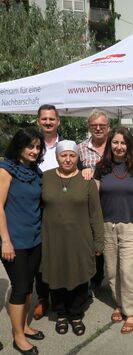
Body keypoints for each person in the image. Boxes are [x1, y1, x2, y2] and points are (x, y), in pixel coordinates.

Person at [41, 140, 104, 337]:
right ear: (57, 157)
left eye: (72, 155)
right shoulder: (45, 177)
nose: (68, 159)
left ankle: (76, 314)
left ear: (78, 157)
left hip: (80, 239)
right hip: (53, 238)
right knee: (56, 273)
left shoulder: (87, 180)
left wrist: (98, 240)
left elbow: (96, 214)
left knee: (79, 274)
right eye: (63, 155)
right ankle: (60, 313)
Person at [94, 127, 133, 334]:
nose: (119, 146)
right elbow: (93, 197)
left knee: (126, 270)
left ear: (129, 145)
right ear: (110, 145)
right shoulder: (101, 168)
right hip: (108, 225)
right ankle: (120, 304)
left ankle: (131, 312)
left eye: (123, 143)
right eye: (115, 142)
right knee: (112, 271)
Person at [0, 127, 45, 355]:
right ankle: (18, 337)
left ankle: (24, 326)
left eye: (38, 147)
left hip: (35, 239)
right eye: (30, 146)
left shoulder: (35, 171)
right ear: (19, 146)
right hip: (14, 241)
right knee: (19, 288)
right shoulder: (6, 170)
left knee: (28, 287)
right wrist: (5, 241)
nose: (35, 150)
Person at [34, 104, 62, 320]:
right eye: (44, 119)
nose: (48, 122)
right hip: (36, 207)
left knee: (60, 253)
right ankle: (43, 299)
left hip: (61, 208)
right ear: (38, 121)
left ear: (58, 121)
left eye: (51, 119)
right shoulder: (32, 145)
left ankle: (63, 294)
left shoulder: (67, 146)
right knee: (40, 255)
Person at [78, 109, 110, 292]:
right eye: (94, 125)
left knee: (111, 242)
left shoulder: (115, 145)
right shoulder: (80, 148)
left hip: (112, 202)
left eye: (102, 125)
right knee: (92, 241)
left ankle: (110, 277)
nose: (98, 128)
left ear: (108, 127)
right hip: (90, 204)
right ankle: (95, 279)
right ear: (89, 127)